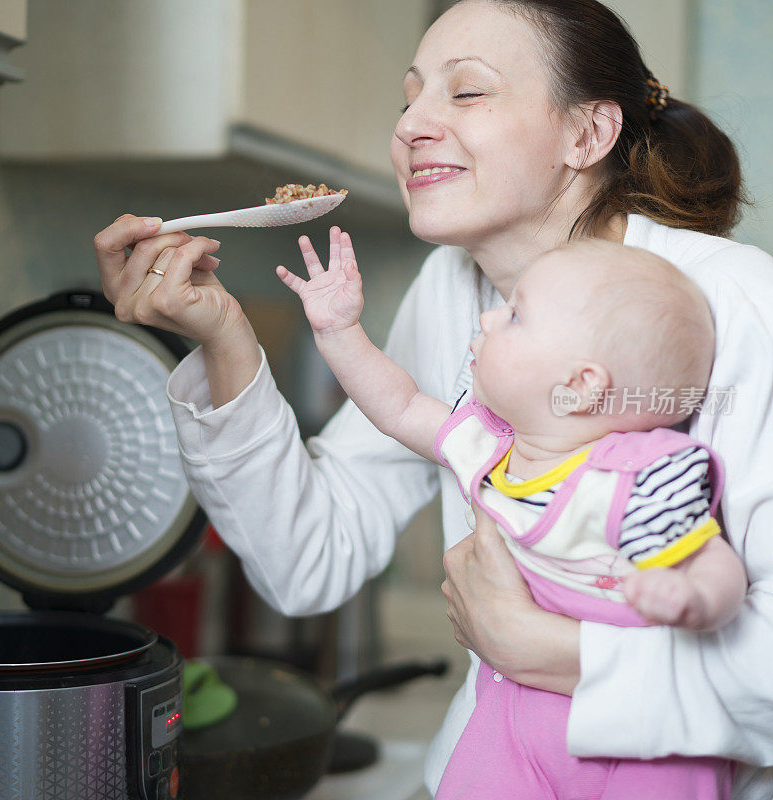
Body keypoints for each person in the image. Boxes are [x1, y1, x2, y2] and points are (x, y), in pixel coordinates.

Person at [94, 1, 773, 797]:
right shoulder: (454, 290)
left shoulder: (735, 303)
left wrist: (547, 650)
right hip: (494, 756)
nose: (412, 124)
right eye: (408, 96)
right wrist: (224, 342)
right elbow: (310, 558)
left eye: (467, 92)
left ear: (586, 135)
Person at [277, 232, 745, 798]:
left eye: (516, 315)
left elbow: (716, 563)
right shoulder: (489, 445)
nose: (489, 318)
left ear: (580, 385)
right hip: (513, 716)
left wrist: (696, 600)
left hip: (644, 743)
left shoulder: (633, 478)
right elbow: (398, 406)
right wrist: (339, 332)